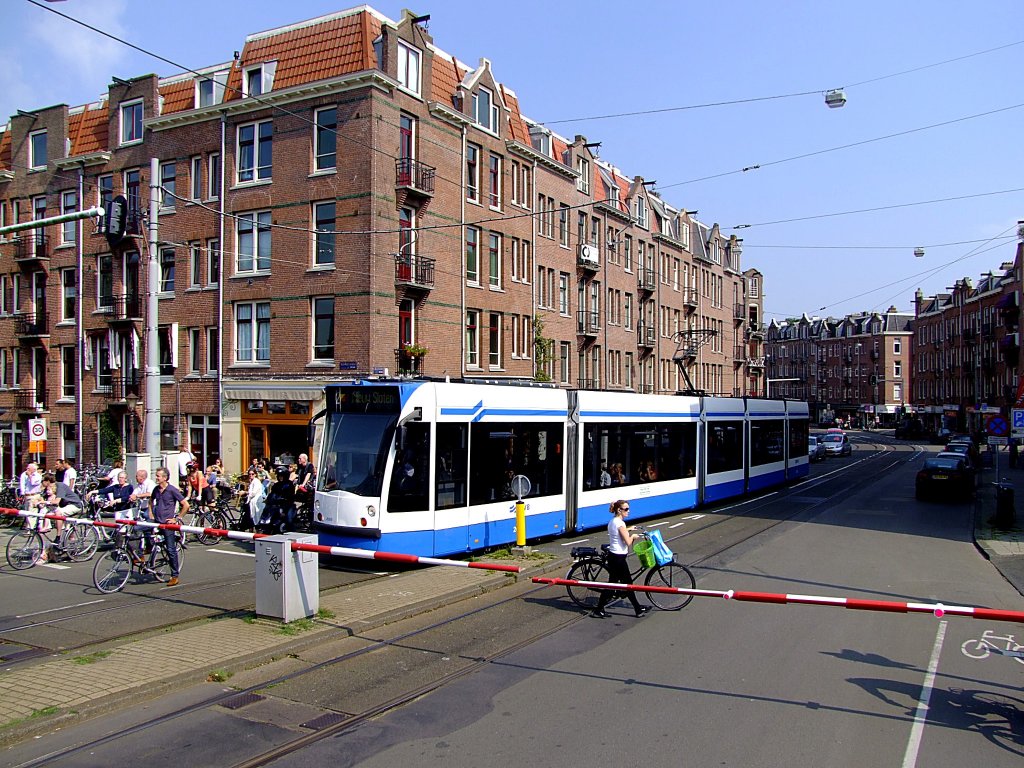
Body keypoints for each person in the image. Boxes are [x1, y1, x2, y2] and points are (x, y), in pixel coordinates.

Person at [592, 499, 650, 619]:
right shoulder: (620, 524)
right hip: (618, 557)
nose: (628, 511)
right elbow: (628, 542)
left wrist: (629, 529)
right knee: (626, 584)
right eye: (626, 509)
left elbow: (618, 532)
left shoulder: (613, 521)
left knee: (616, 584)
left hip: (614, 556)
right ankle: (638, 609)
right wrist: (633, 536)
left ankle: (600, 609)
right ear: (619, 510)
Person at [151, 467, 186, 586]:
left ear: (165, 478)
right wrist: (151, 513)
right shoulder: (156, 489)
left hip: (168, 524)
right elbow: (151, 500)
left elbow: (186, 505)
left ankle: (175, 575)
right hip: (157, 522)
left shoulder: (172, 490)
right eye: (156, 475)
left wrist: (177, 519)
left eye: (158, 476)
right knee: (139, 531)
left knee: (171, 549)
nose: (156, 478)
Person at [38, 473, 85, 561]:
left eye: (42, 481)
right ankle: (68, 544)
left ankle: (58, 537)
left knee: (58, 513)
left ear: (47, 481)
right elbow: (43, 499)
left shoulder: (59, 486)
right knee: (66, 527)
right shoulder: (47, 489)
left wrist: (44, 502)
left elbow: (56, 501)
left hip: (74, 504)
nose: (41, 483)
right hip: (65, 506)